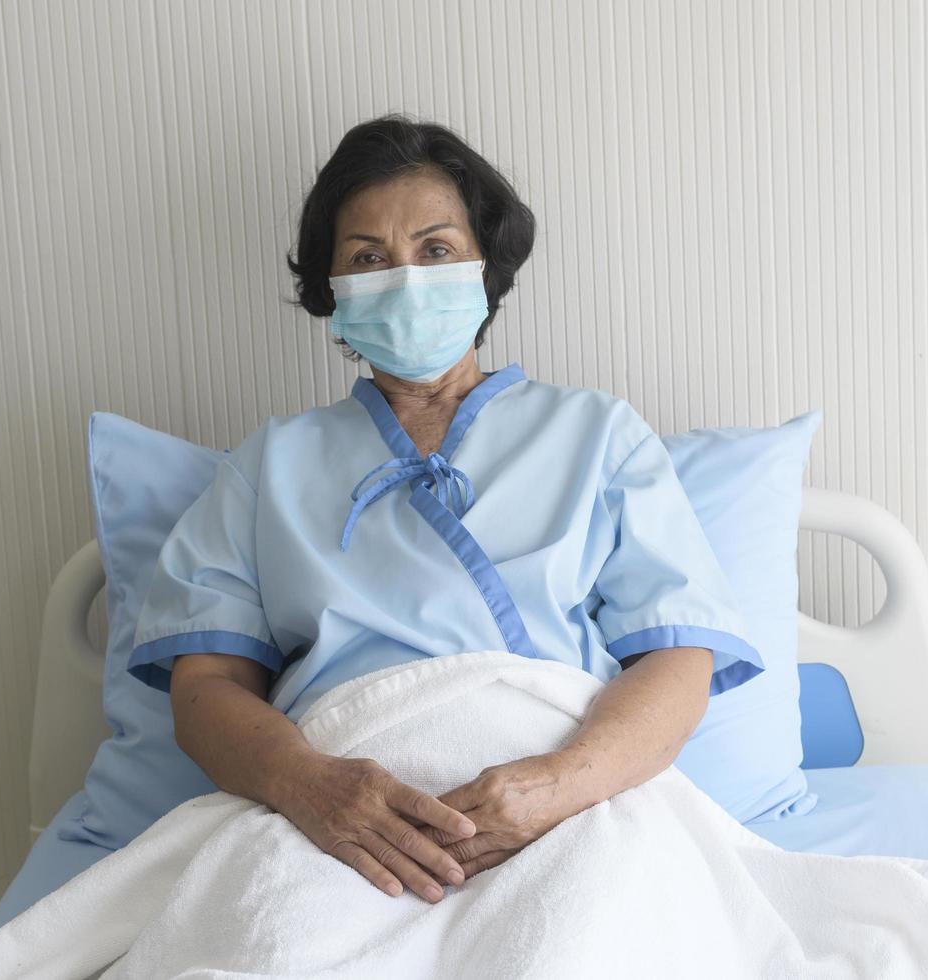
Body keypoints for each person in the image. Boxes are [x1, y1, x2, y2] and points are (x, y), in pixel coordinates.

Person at [129, 113, 762, 907]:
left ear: (485, 267)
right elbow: (207, 689)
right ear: (332, 292)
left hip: (568, 795)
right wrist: (312, 788)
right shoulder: (270, 465)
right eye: (368, 258)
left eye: (435, 250)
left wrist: (556, 789)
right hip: (333, 810)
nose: (405, 279)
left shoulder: (597, 435)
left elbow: (679, 660)